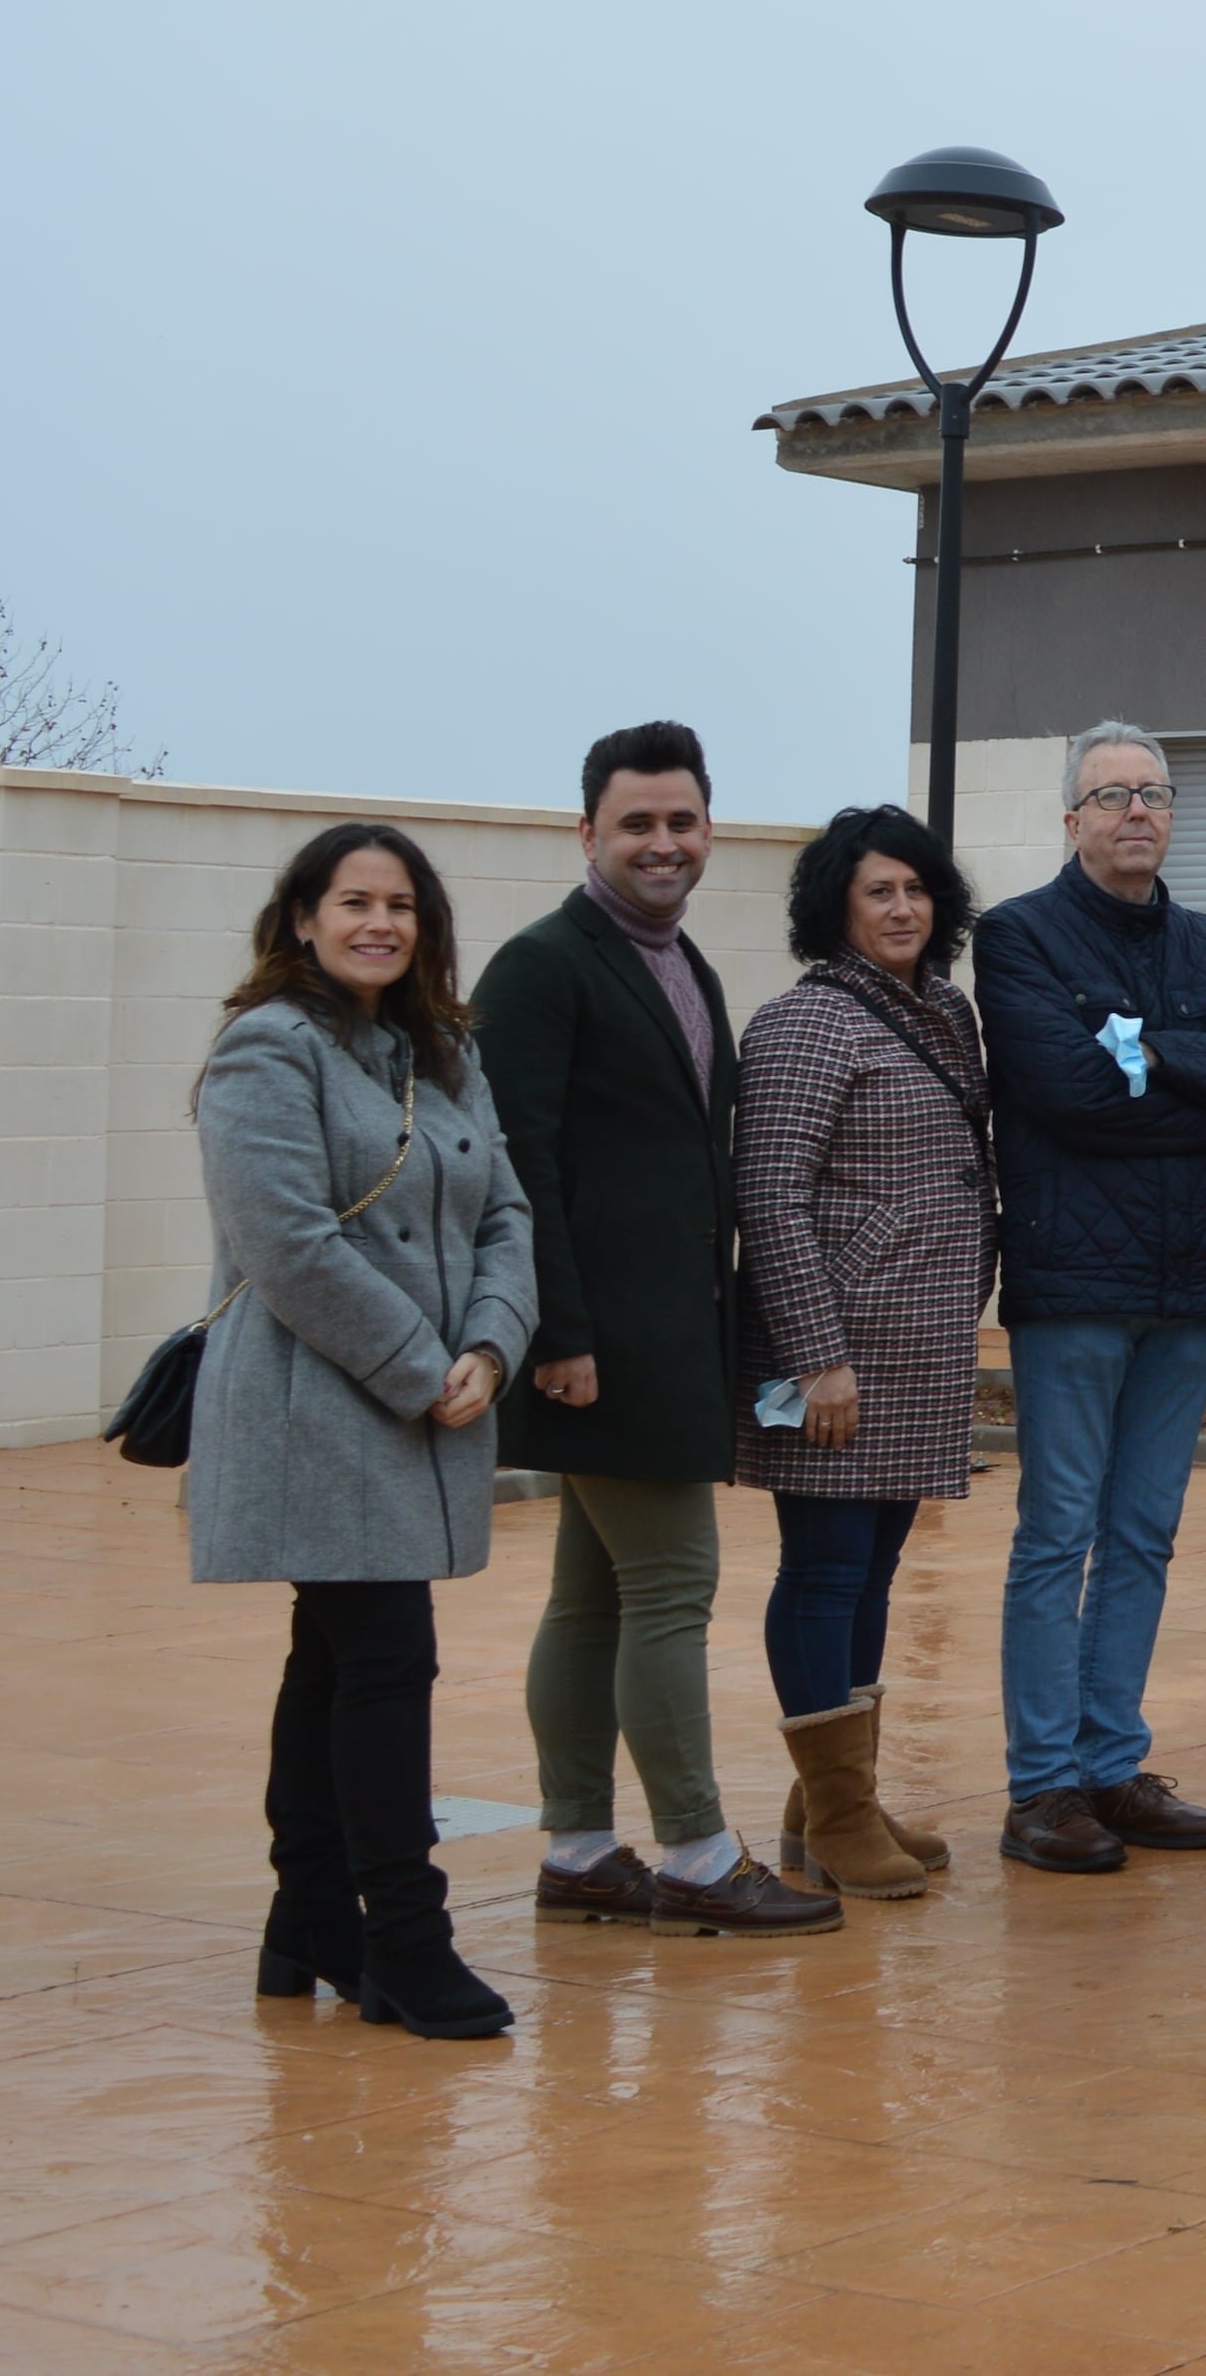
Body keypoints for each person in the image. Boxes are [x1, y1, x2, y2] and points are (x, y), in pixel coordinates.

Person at [474, 723, 828, 1941]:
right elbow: (515, 1168)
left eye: (681, 822)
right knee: (674, 1586)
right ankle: (694, 1849)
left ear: (708, 831)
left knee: (594, 1597)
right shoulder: (540, 968)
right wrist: (555, 1332)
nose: (662, 843)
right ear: (587, 834)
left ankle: (578, 1848)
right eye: (636, 823)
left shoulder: (687, 966)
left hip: (674, 1336)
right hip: (595, 1347)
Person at [193, 823, 537, 2038]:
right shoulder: (263, 1051)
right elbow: (286, 1243)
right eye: (352, 902)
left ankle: (306, 1926)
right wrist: (415, 1364)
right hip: (314, 1400)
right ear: (302, 918)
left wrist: (491, 1342)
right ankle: (403, 1938)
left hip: (432, 1393)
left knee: (335, 1657)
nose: (377, 922)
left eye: (399, 904)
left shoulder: (438, 1052)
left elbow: (505, 1207)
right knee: (386, 1655)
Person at [971, 721, 1206, 1873]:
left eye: (1153, 793)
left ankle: (1113, 1765)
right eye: (1110, 796)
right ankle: (1042, 1787)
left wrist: (1147, 1054)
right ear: (1071, 821)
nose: (1135, 813)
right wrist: (1190, 1067)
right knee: (1057, 1534)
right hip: (1074, 1288)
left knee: (1146, 1535)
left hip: (1194, 1279)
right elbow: (1067, 1099)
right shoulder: (1015, 937)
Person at [733, 806, 999, 1903]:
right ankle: (838, 1814)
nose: (902, 908)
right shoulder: (804, 1023)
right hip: (840, 1351)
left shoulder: (946, 1011)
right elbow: (771, 1196)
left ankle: (832, 1801)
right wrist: (814, 1356)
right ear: (835, 905)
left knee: (876, 1572)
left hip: (922, 1346)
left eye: (917, 889)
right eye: (878, 890)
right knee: (826, 1569)